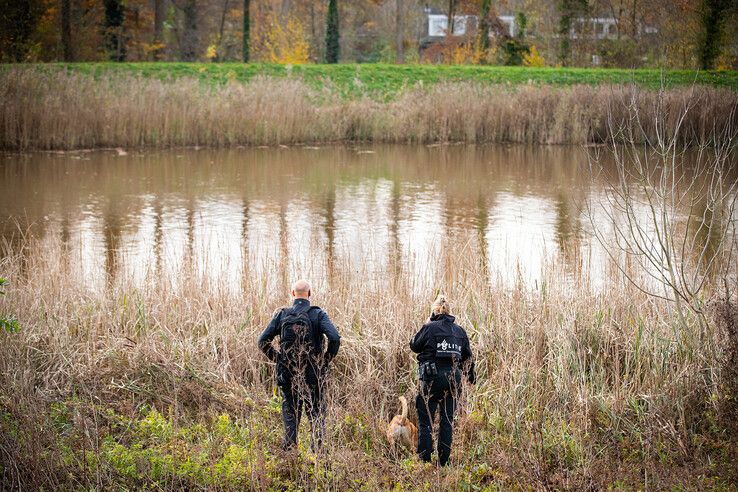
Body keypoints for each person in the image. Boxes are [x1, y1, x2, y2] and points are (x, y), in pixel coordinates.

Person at [258, 279, 341, 451]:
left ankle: (289, 459)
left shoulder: (282, 314)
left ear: (293, 293)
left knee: (290, 417)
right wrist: (324, 362)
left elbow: (262, 341)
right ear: (309, 294)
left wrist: (279, 359)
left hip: (288, 375)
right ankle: (319, 457)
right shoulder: (318, 315)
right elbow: (335, 338)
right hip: (313, 375)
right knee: (316, 414)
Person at [410, 294, 475, 466]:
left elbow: (414, 345)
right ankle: (443, 462)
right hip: (454, 378)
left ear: (434, 311)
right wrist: (471, 378)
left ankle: (424, 460)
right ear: (449, 311)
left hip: (432, 378)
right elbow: (468, 358)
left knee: (426, 421)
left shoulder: (429, 327)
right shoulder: (459, 331)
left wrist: (426, 324)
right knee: (447, 421)